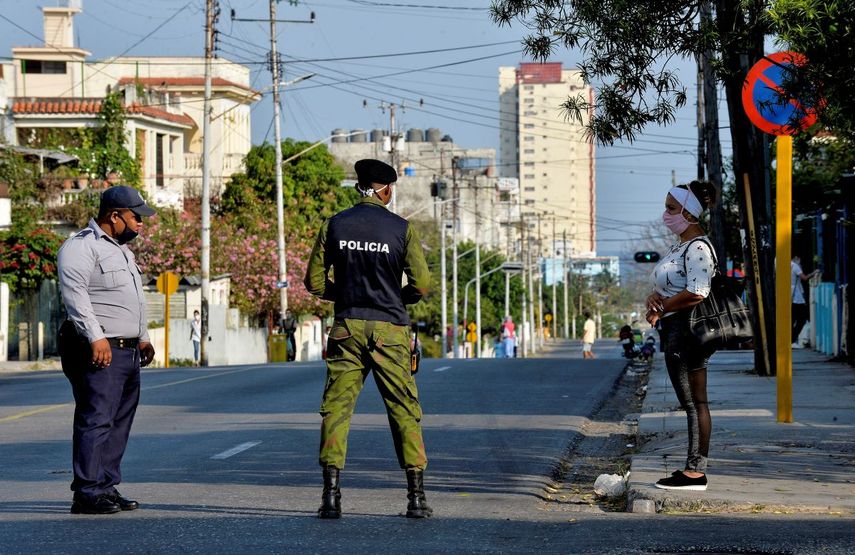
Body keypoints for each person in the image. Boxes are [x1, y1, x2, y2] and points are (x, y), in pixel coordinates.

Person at [304, 159, 432, 519]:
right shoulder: (401, 229)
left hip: (346, 327)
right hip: (390, 329)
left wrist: (346, 294)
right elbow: (421, 285)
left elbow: (314, 282)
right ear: (386, 191)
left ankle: (331, 498)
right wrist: (396, 298)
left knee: (336, 410)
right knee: (403, 408)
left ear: (359, 187)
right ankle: (416, 498)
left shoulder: (334, 225)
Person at [56, 185, 157, 514]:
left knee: (118, 421)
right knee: (96, 418)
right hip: (98, 349)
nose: (141, 223)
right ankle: (87, 492)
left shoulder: (122, 251)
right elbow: (75, 295)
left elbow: (132, 300)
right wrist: (95, 336)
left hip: (127, 350)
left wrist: (143, 336)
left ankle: (105, 486)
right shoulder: (81, 246)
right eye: (136, 217)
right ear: (114, 216)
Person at [645, 180, 718, 491]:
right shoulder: (679, 246)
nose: (666, 214)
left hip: (688, 329)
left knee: (694, 402)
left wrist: (663, 307)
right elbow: (673, 285)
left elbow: (697, 292)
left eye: (671, 208)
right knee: (691, 401)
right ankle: (693, 469)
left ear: (689, 212)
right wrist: (655, 298)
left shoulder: (698, 247)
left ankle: (695, 473)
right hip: (676, 329)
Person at [791, 255, 818, 348]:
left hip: (790, 296)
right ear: (796, 258)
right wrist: (814, 273)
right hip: (797, 298)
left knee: (792, 319)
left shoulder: (785, 265)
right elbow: (805, 278)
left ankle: (791, 340)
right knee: (802, 319)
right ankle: (792, 340)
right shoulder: (795, 266)